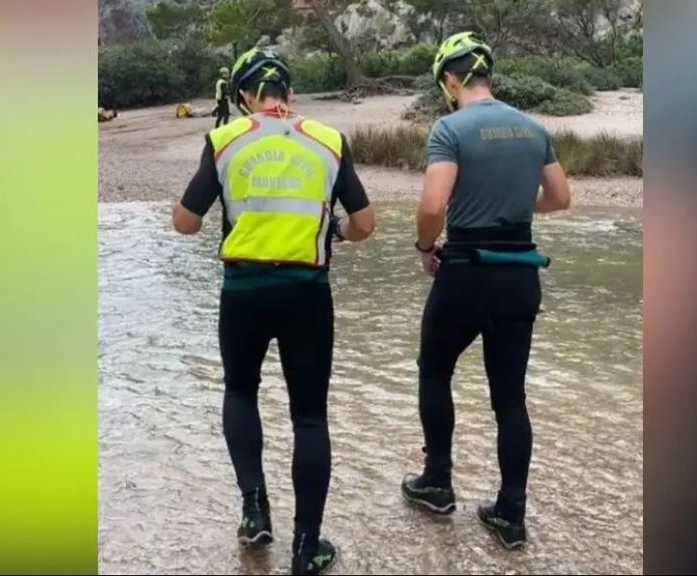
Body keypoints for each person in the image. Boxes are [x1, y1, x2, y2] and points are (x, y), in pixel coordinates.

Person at [172, 47, 375, 575]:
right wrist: (339, 234)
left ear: (243, 96)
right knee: (309, 416)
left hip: (243, 292)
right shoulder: (330, 141)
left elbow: (184, 222)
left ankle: (255, 512)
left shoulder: (223, 140)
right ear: (290, 92)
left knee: (240, 392)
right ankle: (307, 549)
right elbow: (365, 224)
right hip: (308, 291)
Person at [399, 31, 571, 550]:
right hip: (520, 273)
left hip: (467, 272)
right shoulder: (534, 128)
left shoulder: (450, 128)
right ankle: (510, 516)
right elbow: (560, 198)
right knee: (510, 398)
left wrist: (425, 247)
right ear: (485, 77)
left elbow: (433, 207)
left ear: (451, 80)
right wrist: (516, 210)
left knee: (434, 369)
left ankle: (437, 483)